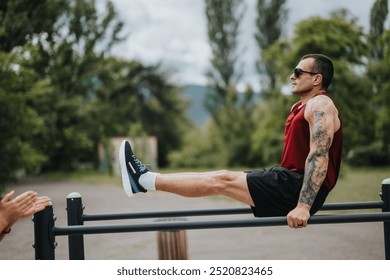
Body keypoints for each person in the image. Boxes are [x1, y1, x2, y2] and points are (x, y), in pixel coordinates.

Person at [119, 53, 342, 229]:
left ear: (316, 78)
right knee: (220, 177)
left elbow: (319, 154)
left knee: (221, 180)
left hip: (297, 187)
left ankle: (143, 180)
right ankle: (144, 180)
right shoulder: (300, 107)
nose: (292, 76)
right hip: (290, 181)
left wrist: (303, 206)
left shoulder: (321, 104)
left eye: (298, 71)